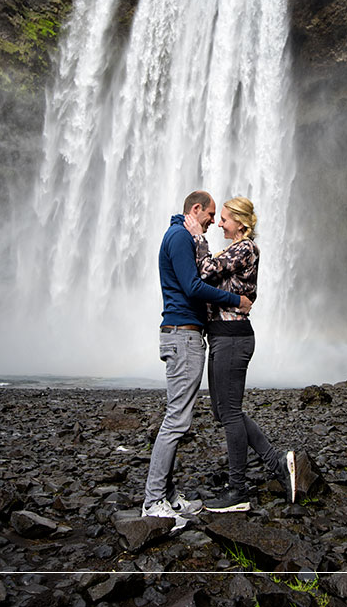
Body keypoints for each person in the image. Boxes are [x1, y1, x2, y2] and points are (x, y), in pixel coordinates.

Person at [142, 190, 253, 520]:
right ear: (195, 209)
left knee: (180, 417)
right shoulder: (179, 236)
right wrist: (237, 301)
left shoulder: (181, 236)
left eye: (220, 217)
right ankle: (153, 500)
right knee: (176, 419)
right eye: (211, 214)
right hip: (181, 336)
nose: (213, 222)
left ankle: (169, 495)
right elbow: (192, 287)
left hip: (186, 335)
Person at [185, 196, 296, 512]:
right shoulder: (234, 249)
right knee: (223, 412)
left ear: (242, 223)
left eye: (224, 219)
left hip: (233, 337)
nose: (219, 223)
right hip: (222, 336)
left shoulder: (245, 248)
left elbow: (205, 271)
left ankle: (238, 491)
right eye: (216, 218)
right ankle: (275, 463)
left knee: (230, 412)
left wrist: (197, 236)